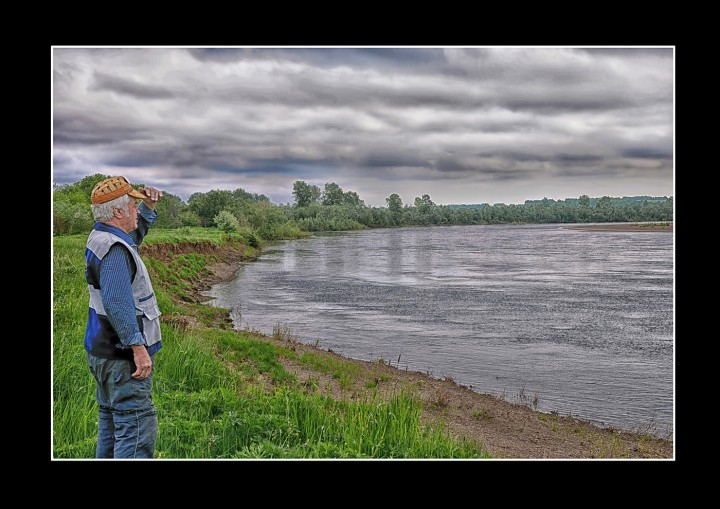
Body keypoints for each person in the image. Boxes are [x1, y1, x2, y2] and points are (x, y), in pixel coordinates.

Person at [84, 176, 164, 458]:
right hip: (122, 359)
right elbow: (117, 302)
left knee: (112, 425)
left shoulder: (103, 237)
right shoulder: (115, 250)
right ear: (118, 212)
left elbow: (130, 239)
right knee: (136, 431)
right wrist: (138, 350)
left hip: (102, 350)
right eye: (133, 206)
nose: (136, 211)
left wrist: (149, 210)